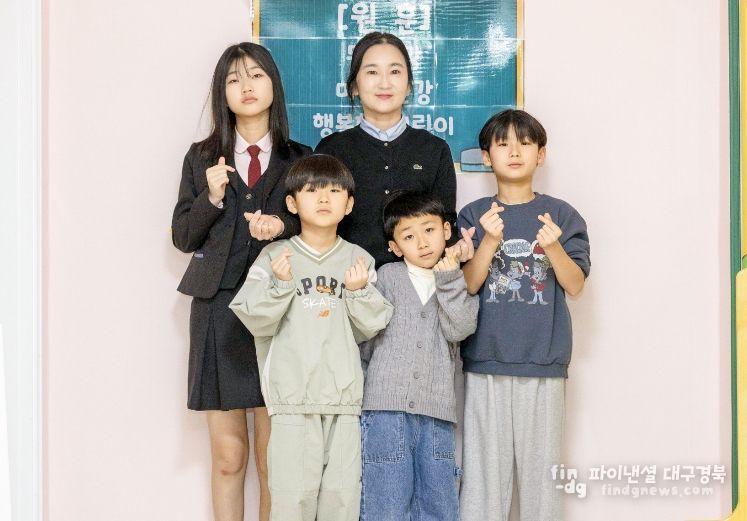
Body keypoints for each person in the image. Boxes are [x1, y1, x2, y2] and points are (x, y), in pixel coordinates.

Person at [171, 42, 310, 521]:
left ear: (274, 84)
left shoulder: (300, 157)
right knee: (229, 457)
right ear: (222, 93)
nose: (246, 86)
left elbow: (321, 225)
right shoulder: (201, 157)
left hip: (282, 310)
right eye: (233, 79)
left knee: (274, 460)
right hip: (217, 311)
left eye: (255, 75)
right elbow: (183, 236)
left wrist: (283, 227)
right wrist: (210, 197)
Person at [229, 154, 394, 521]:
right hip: (292, 402)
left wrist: (358, 292)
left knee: (342, 502)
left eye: (334, 191)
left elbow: (372, 325)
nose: (323, 198)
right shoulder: (274, 257)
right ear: (292, 203)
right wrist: (280, 285)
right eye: (312, 190)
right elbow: (253, 318)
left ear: (348, 204)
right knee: (292, 503)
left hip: (344, 403)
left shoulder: (359, 260)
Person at [457, 109, 591, 521]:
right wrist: (488, 241)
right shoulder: (473, 215)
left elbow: (575, 284)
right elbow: (469, 285)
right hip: (486, 362)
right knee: (483, 483)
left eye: (525, 143)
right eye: (503, 144)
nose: (514, 152)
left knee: (541, 485)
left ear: (541, 154)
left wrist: (552, 247)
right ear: (486, 156)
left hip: (543, 363)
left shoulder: (562, 216)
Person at [358, 191, 478, 521]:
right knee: (386, 504)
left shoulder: (456, 278)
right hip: (384, 411)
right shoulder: (387, 276)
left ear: (446, 230)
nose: (422, 243)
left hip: (436, 413)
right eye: (409, 237)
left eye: (429, 230)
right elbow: (365, 338)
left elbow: (460, 328)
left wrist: (449, 279)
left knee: (438, 505)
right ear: (395, 247)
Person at [315, 31, 475, 267]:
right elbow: (316, 222)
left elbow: (445, 221)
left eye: (395, 71)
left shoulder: (434, 149)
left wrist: (457, 248)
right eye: (372, 72)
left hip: (419, 284)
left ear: (409, 86)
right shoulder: (332, 150)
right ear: (354, 86)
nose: (384, 83)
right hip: (347, 279)